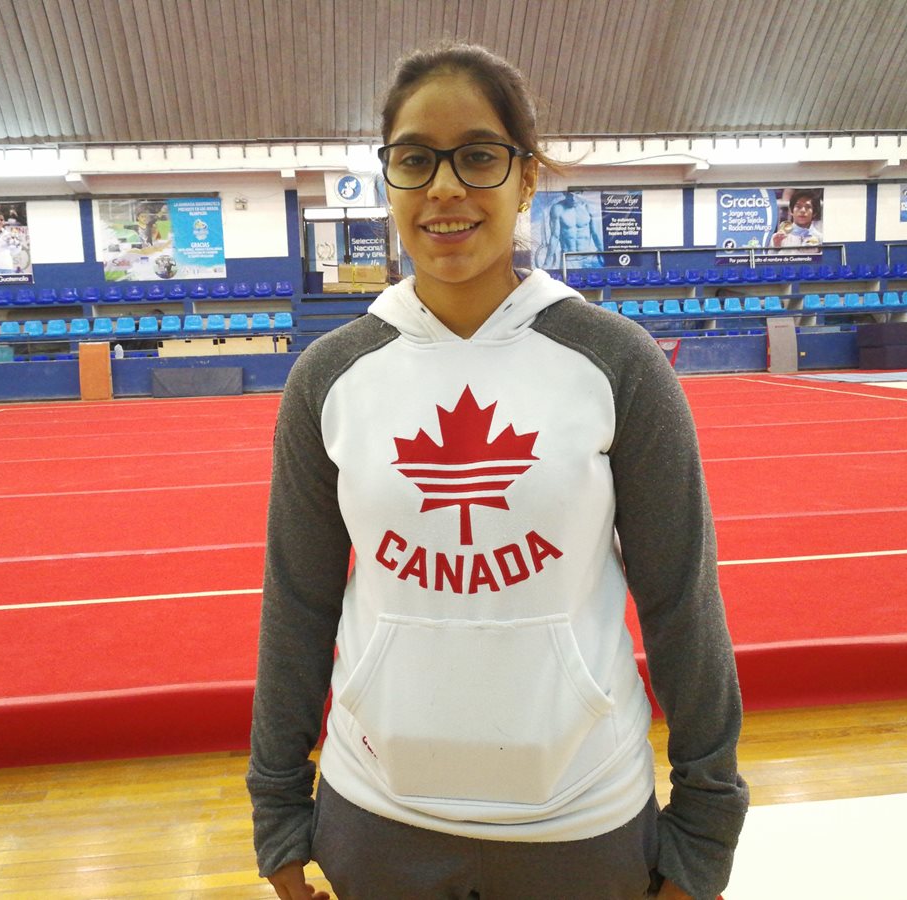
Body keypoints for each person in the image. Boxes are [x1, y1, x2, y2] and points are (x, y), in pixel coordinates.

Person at [247, 43, 747, 900]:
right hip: (376, 820)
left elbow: (681, 601)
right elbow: (297, 603)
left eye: (478, 156)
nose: (445, 188)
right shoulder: (329, 376)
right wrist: (278, 819)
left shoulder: (616, 362)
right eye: (415, 160)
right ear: (390, 182)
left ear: (525, 177)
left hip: (583, 820)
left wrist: (705, 833)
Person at [540, 190, 604, 269]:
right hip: (568, 258)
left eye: (576, 193)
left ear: (581, 193)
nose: (573, 198)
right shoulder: (557, 209)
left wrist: (606, 257)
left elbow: (596, 234)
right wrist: (547, 263)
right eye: (570, 195)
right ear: (564, 193)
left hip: (586, 257)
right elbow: (555, 236)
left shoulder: (589, 207)